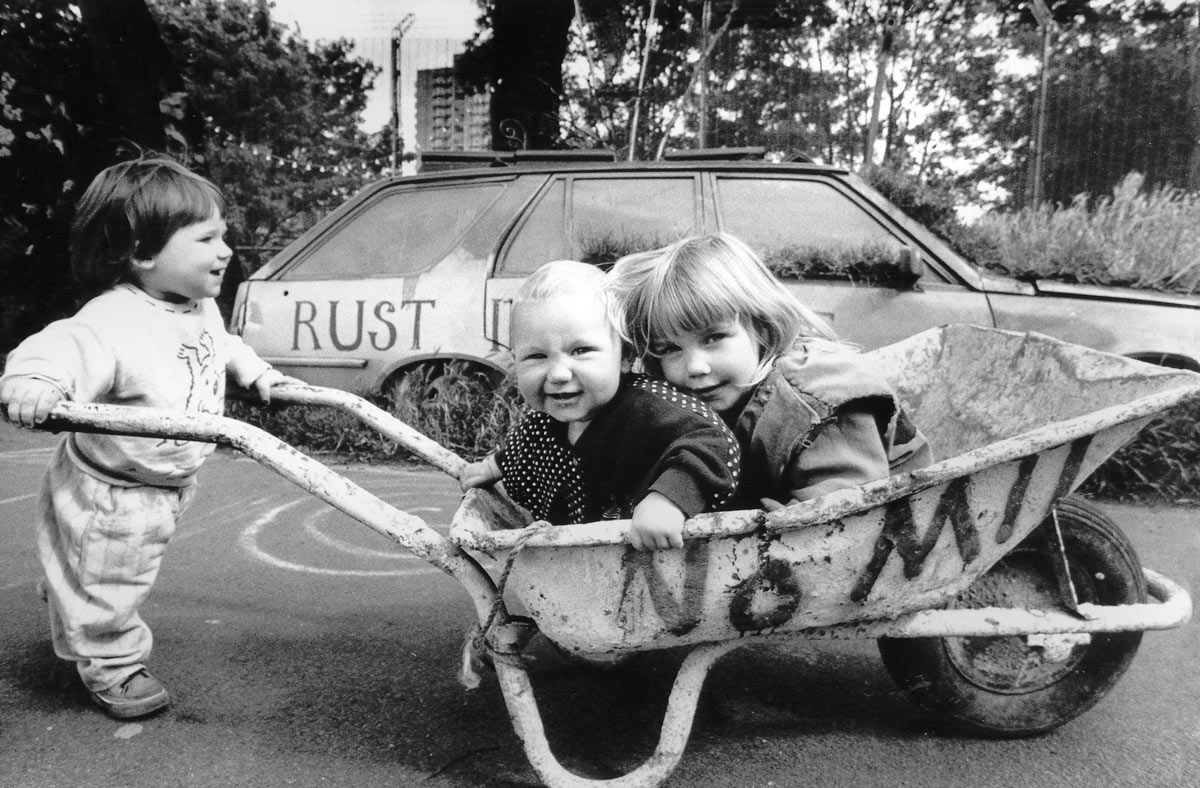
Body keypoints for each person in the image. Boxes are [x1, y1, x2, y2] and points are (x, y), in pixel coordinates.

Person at [0, 156, 295, 720]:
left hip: (163, 481)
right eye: (207, 238)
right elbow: (59, 346)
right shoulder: (112, 319)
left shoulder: (199, 306)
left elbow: (224, 346)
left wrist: (257, 374)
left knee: (109, 570)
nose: (225, 249)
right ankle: (113, 665)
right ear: (141, 253)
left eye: (223, 235)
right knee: (114, 580)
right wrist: (34, 383)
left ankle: (75, 589)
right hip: (115, 491)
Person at [607, 232, 933, 511]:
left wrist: (738, 529)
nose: (694, 367)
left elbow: (843, 511)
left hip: (899, 519)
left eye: (714, 338)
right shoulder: (702, 397)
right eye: (670, 349)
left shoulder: (817, 402)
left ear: (762, 326)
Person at [459, 260, 740, 551]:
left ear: (625, 355)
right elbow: (520, 449)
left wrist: (668, 500)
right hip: (584, 559)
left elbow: (714, 443)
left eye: (581, 351)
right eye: (536, 357)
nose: (557, 374)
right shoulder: (542, 423)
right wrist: (492, 467)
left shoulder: (648, 407)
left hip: (667, 556)